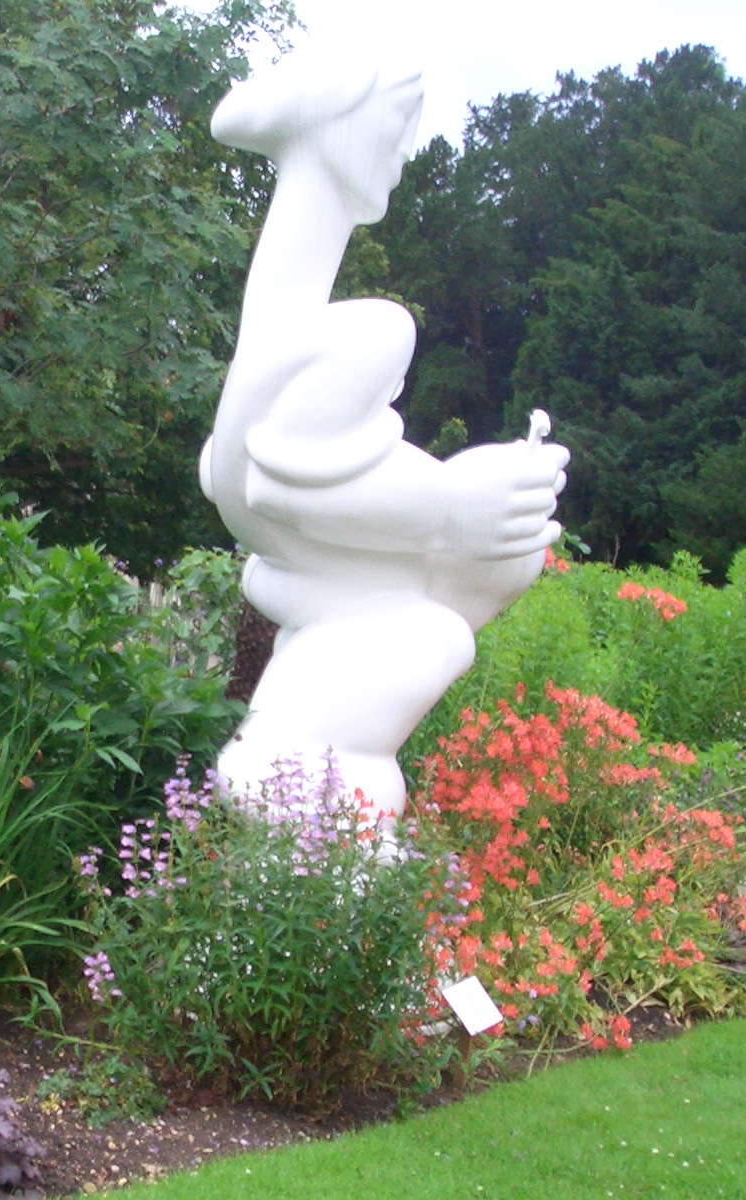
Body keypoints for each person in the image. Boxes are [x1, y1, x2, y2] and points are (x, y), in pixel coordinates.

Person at [201, 45, 570, 815]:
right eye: (395, 124)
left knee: (437, 622)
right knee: (430, 636)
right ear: (339, 127)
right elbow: (283, 475)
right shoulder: (365, 335)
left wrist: (473, 508)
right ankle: (304, 818)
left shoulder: (292, 355)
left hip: (333, 598)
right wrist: (451, 504)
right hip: (333, 617)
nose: (405, 150)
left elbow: (267, 476)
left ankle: (298, 818)